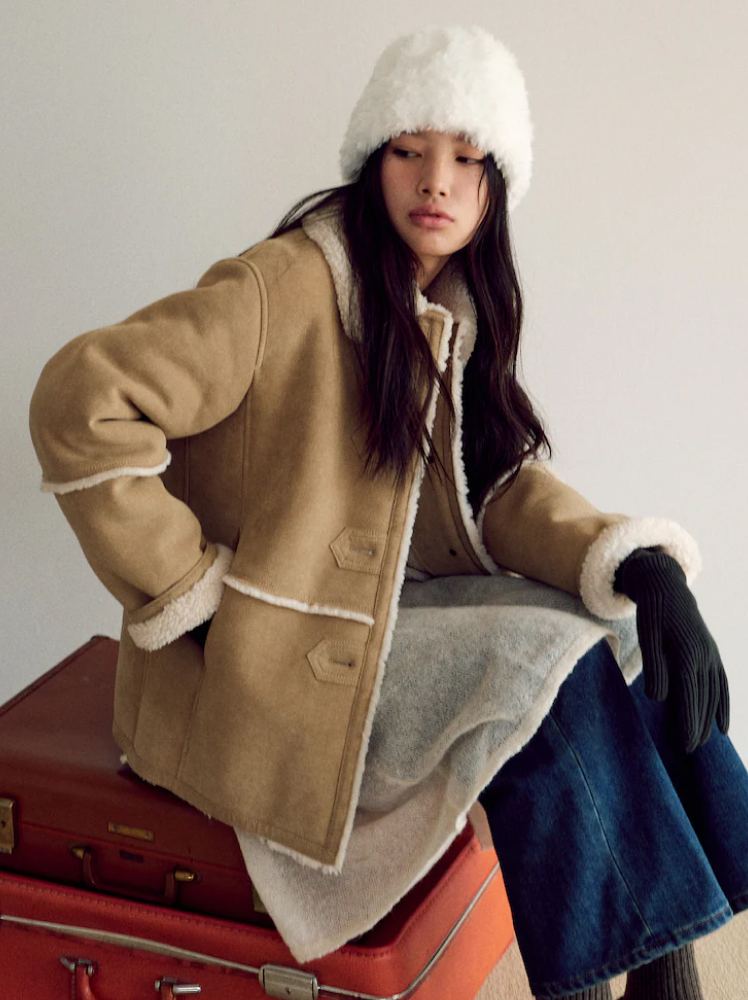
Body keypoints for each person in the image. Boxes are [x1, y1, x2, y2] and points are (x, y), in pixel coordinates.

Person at [29, 24, 748, 1000]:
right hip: (269, 658)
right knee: (547, 670)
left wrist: (639, 566)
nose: (435, 181)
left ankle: (672, 975)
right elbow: (81, 399)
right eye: (410, 150)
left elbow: (492, 488)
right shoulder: (280, 286)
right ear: (373, 163)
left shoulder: (446, 305)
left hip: (387, 619)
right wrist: (189, 589)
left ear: (496, 185)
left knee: (617, 633)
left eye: (465, 157)